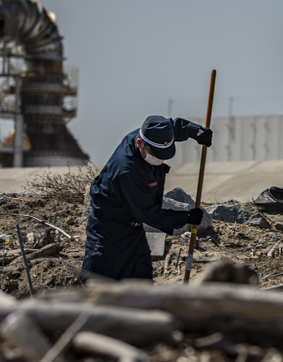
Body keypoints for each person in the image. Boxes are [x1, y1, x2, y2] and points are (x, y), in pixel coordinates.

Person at [81, 115, 213, 281]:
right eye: (156, 154)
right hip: (109, 230)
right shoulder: (126, 170)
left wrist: (197, 132)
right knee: (99, 283)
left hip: (133, 230)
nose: (160, 159)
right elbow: (149, 213)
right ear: (139, 144)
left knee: (141, 282)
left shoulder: (151, 134)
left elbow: (172, 127)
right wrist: (185, 217)